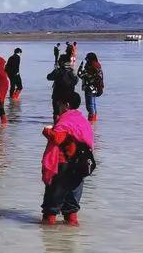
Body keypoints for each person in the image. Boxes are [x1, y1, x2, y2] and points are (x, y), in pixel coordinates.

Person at [41, 92, 95, 225]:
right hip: (80, 167)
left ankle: (47, 236)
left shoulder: (66, 120)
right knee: (71, 208)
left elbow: (58, 138)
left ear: (66, 105)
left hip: (63, 166)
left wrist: (46, 131)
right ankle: (70, 239)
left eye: (59, 104)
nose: (58, 106)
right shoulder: (83, 121)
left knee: (51, 208)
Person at [46, 54, 78, 121]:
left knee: (56, 112)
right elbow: (76, 81)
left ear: (61, 62)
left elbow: (49, 77)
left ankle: (57, 126)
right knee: (68, 112)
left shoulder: (58, 71)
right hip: (70, 96)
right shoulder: (72, 71)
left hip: (57, 95)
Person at [78, 52, 104, 123]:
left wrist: (80, 67)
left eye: (87, 58)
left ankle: (91, 122)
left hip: (89, 88)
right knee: (93, 105)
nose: (86, 60)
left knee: (90, 106)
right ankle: (94, 123)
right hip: (96, 89)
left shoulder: (90, 66)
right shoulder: (98, 65)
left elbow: (81, 75)